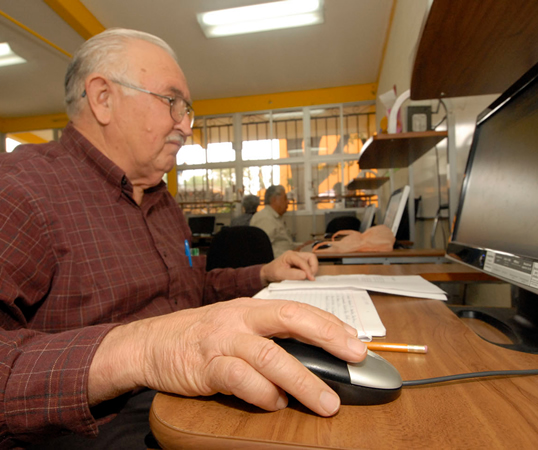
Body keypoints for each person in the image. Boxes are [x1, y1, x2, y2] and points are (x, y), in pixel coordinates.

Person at [0, 28, 367, 448]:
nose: (186, 126)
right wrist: (145, 350)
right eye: (171, 102)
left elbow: (194, 289)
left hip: (183, 396)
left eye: (187, 110)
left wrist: (264, 273)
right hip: (93, 427)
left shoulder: (163, 203)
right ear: (103, 98)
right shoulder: (18, 188)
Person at [250, 185, 295, 257]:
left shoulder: (276, 217)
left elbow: (282, 244)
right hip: (278, 262)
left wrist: (299, 248)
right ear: (274, 200)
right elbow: (263, 251)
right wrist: (292, 254)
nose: (288, 202)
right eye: (285, 199)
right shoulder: (264, 218)